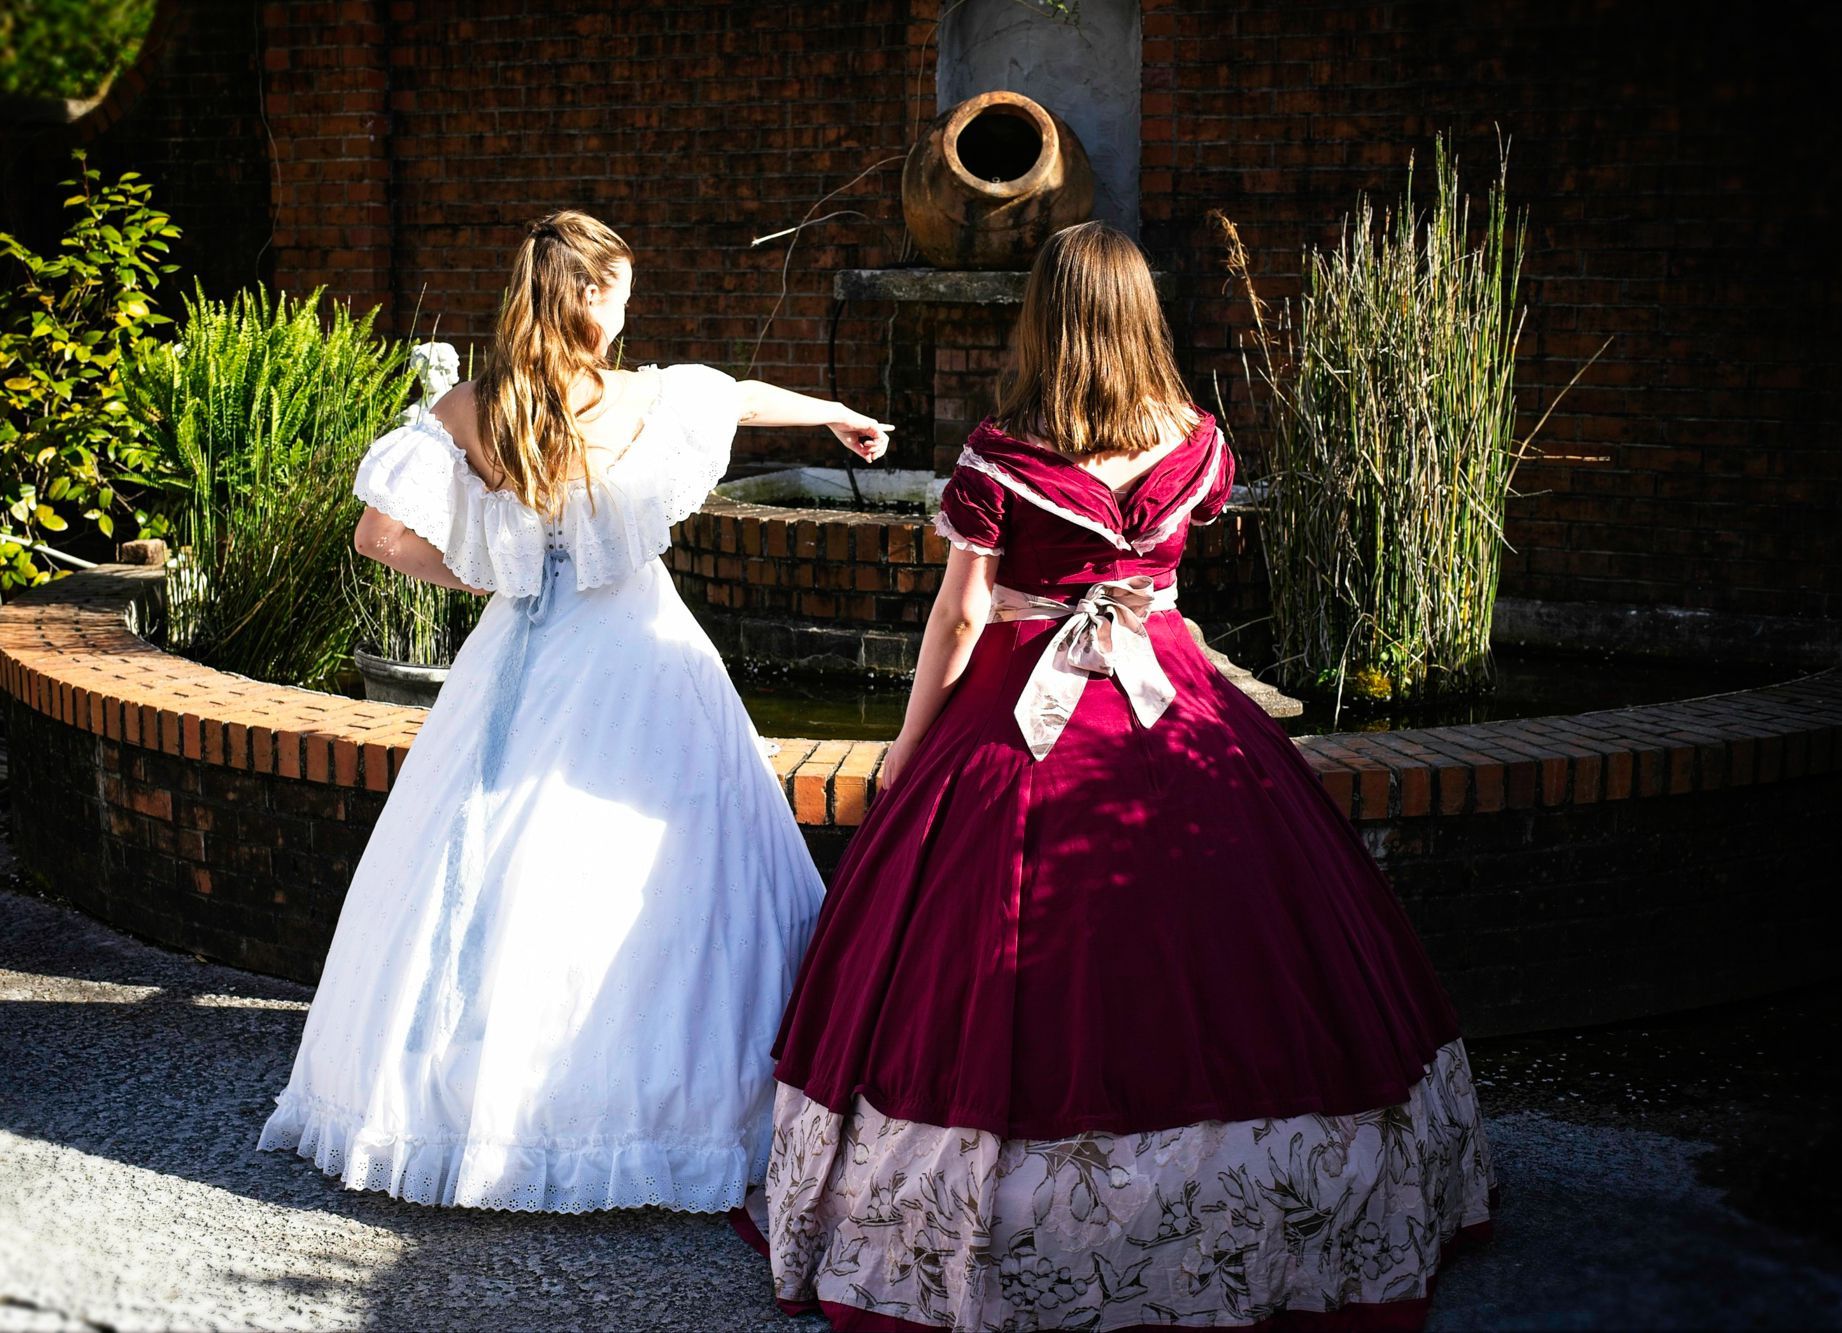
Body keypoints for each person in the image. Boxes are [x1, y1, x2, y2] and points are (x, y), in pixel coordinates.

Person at [746, 221, 1492, 1328]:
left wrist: (908, 752)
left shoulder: (1004, 453)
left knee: (978, 941)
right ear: (1142, 316)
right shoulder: (1197, 443)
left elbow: (958, 616)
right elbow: (1175, 560)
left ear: (1044, 319)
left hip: (1024, 700)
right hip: (1173, 695)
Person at [258, 209, 892, 1214]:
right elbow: (731, 395)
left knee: (491, 867)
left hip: (523, 653)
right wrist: (833, 414)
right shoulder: (640, 397)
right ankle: (682, 1106)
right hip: (645, 655)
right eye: (622, 291)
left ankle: (466, 1109)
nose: (630, 311)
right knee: (675, 864)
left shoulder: (477, 407)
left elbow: (379, 535)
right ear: (589, 295)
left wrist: (486, 575)